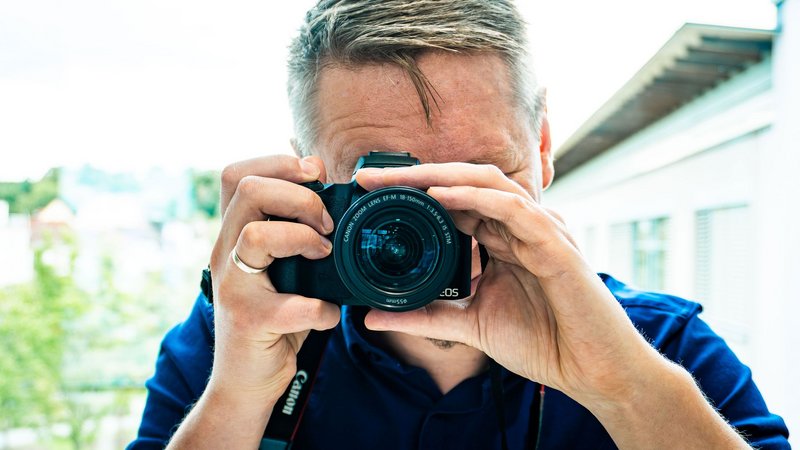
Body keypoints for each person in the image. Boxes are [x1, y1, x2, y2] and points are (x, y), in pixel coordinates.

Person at [129, 1, 790, 448]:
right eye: (387, 183)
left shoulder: (660, 346)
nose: (439, 221)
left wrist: (619, 384)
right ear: (311, 177)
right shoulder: (240, 340)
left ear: (541, 150)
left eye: (481, 178)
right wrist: (241, 394)